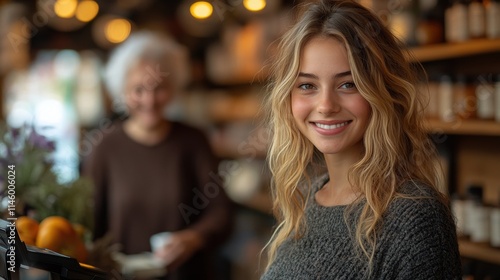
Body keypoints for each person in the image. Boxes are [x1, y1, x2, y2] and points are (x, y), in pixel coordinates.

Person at [261, 0, 462, 279]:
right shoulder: (309, 199)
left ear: (382, 92)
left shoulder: (415, 218)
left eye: (348, 84)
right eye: (307, 85)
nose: (326, 105)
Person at [83, 31, 233, 280]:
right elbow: (88, 224)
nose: (149, 100)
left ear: (174, 88)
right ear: (121, 91)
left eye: (159, 88)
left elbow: (221, 213)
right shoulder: (104, 147)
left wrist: (193, 238)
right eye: (137, 89)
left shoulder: (194, 141)